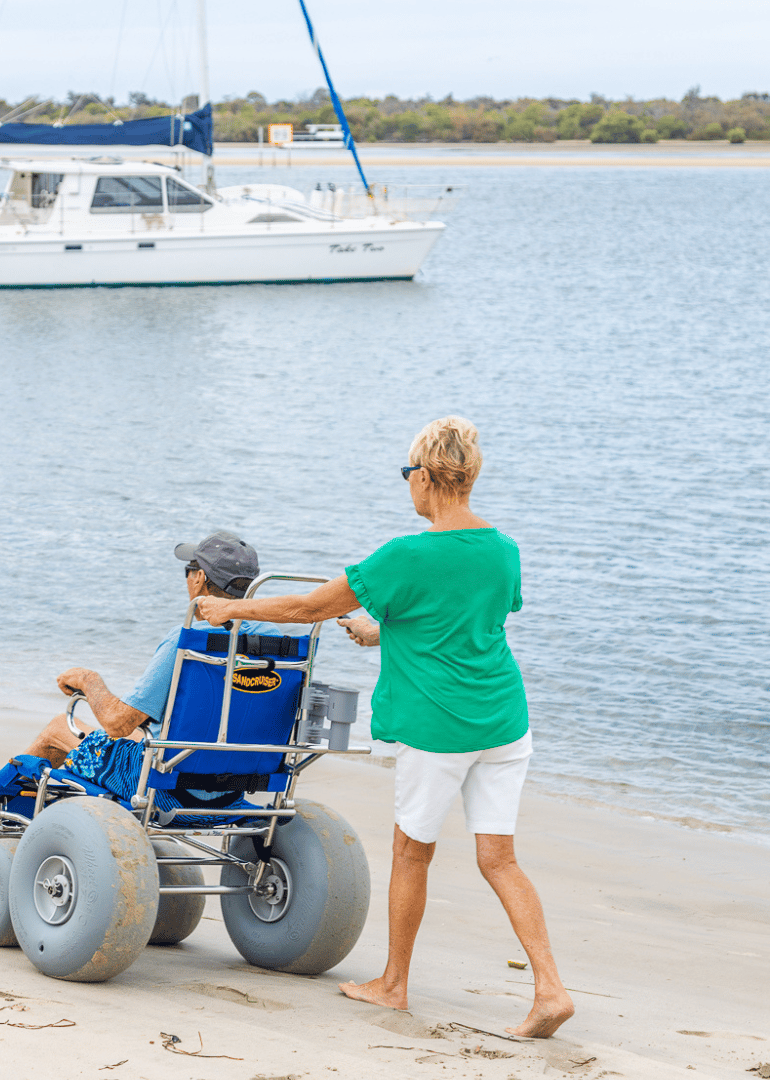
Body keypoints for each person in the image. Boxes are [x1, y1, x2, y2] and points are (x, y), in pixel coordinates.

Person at [195, 417, 574, 1039]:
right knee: (500, 859)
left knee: (410, 852)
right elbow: (467, 627)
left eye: (407, 474)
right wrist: (382, 631)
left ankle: (393, 984)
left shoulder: (405, 554)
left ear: (426, 478)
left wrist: (231, 608)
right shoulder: (503, 550)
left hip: (438, 730)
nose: (407, 487)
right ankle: (551, 989)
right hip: (504, 725)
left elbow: (309, 606)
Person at [0, 531, 279, 820]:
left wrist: (90, 681)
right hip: (237, 788)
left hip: (169, 791)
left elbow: (119, 724)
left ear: (200, 579)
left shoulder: (190, 640)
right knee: (146, 738)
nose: (188, 578)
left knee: (59, 728)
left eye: (189, 570)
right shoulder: (278, 644)